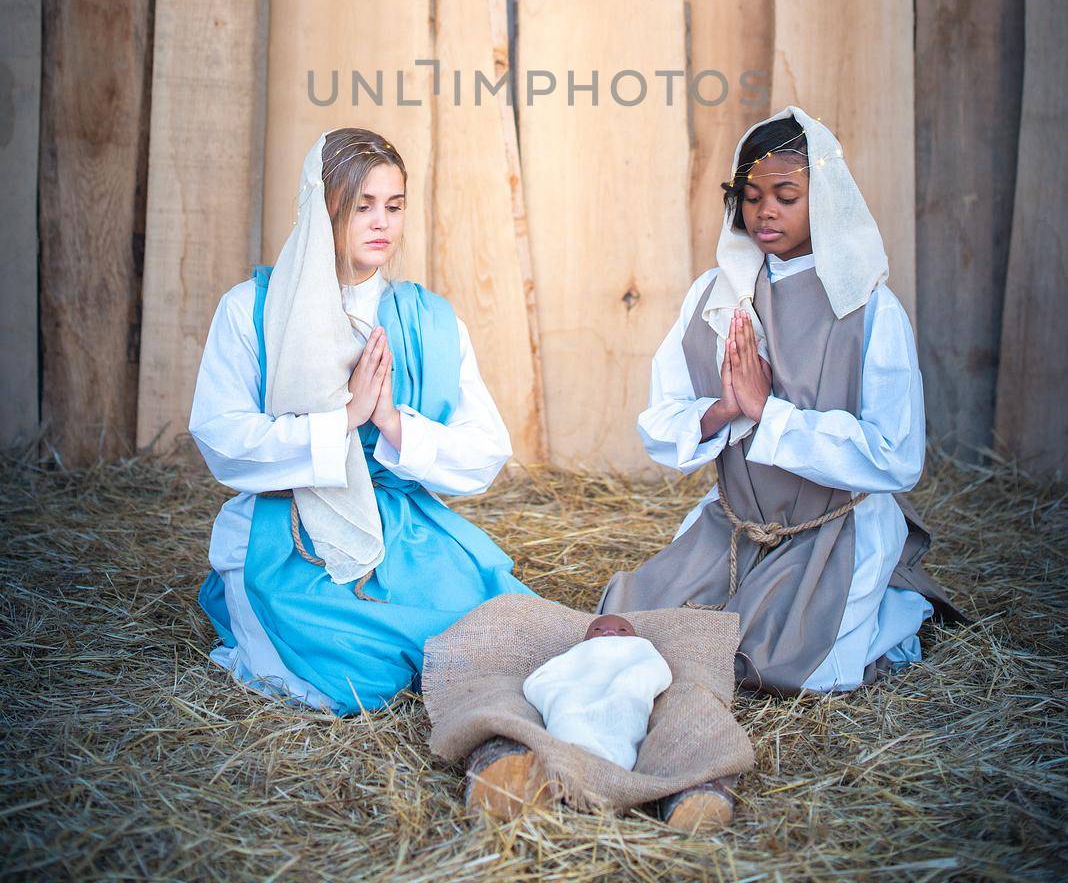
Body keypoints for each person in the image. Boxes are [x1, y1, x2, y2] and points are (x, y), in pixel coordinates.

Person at [598, 105, 961, 694]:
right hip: (738, 525)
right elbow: (660, 423)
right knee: (630, 625)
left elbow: (897, 457)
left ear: (825, 199)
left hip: (830, 530)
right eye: (750, 194)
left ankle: (897, 611)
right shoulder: (715, 299)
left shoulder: (868, 308)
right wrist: (727, 409)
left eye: (786, 196)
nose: (764, 211)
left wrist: (771, 414)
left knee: (772, 664)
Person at [190, 127, 531, 715]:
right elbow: (222, 440)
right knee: (354, 672)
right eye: (361, 206)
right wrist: (343, 420)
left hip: (408, 530)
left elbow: (485, 452)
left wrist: (392, 422)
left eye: (394, 206)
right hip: (289, 528)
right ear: (322, 211)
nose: (382, 223)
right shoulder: (252, 309)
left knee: (498, 640)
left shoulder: (430, 319)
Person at [521, 614, 672, 770]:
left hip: (623, 693)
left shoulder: (640, 650)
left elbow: (655, 670)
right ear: (585, 640)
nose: (611, 632)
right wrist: (556, 691)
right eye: (599, 629)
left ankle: (614, 757)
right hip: (578, 692)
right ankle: (570, 745)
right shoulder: (580, 652)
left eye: (623, 630)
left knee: (623, 707)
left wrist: (632, 681)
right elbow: (552, 675)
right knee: (566, 705)